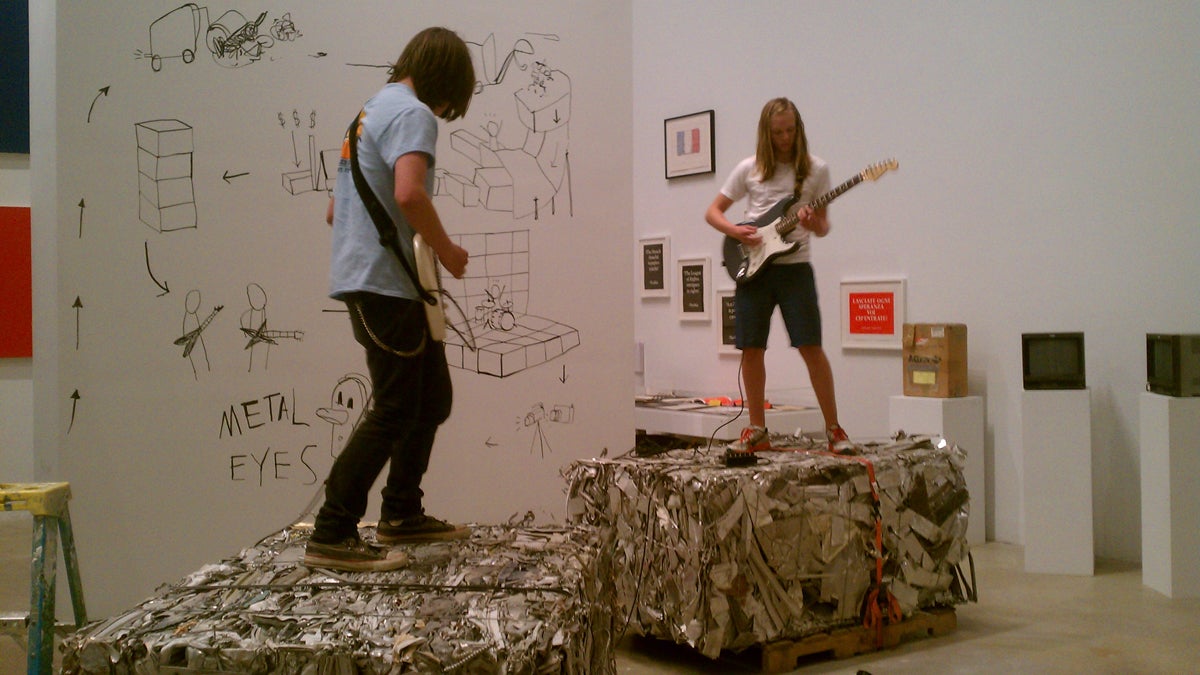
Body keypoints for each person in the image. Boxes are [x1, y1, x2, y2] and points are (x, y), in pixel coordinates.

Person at [303, 27, 476, 572]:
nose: (445, 110)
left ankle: (401, 511)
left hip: (371, 278)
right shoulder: (413, 114)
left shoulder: (367, 114)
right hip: (386, 282)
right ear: (444, 82)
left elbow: (336, 212)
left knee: (431, 398)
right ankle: (332, 530)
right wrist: (446, 249)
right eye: (451, 99)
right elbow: (408, 193)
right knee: (396, 406)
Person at [704, 97, 852, 456]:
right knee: (751, 349)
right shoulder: (749, 169)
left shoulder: (817, 170)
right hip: (753, 268)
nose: (784, 138)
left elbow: (823, 227)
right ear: (766, 133)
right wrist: (738, 232)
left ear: (798, 129)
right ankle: (757, 429)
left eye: (790, 130)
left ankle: (834, 429)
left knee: (810, 346)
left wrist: (811, 220)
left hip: (795, 267)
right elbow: (713, 212)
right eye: (777, 132)